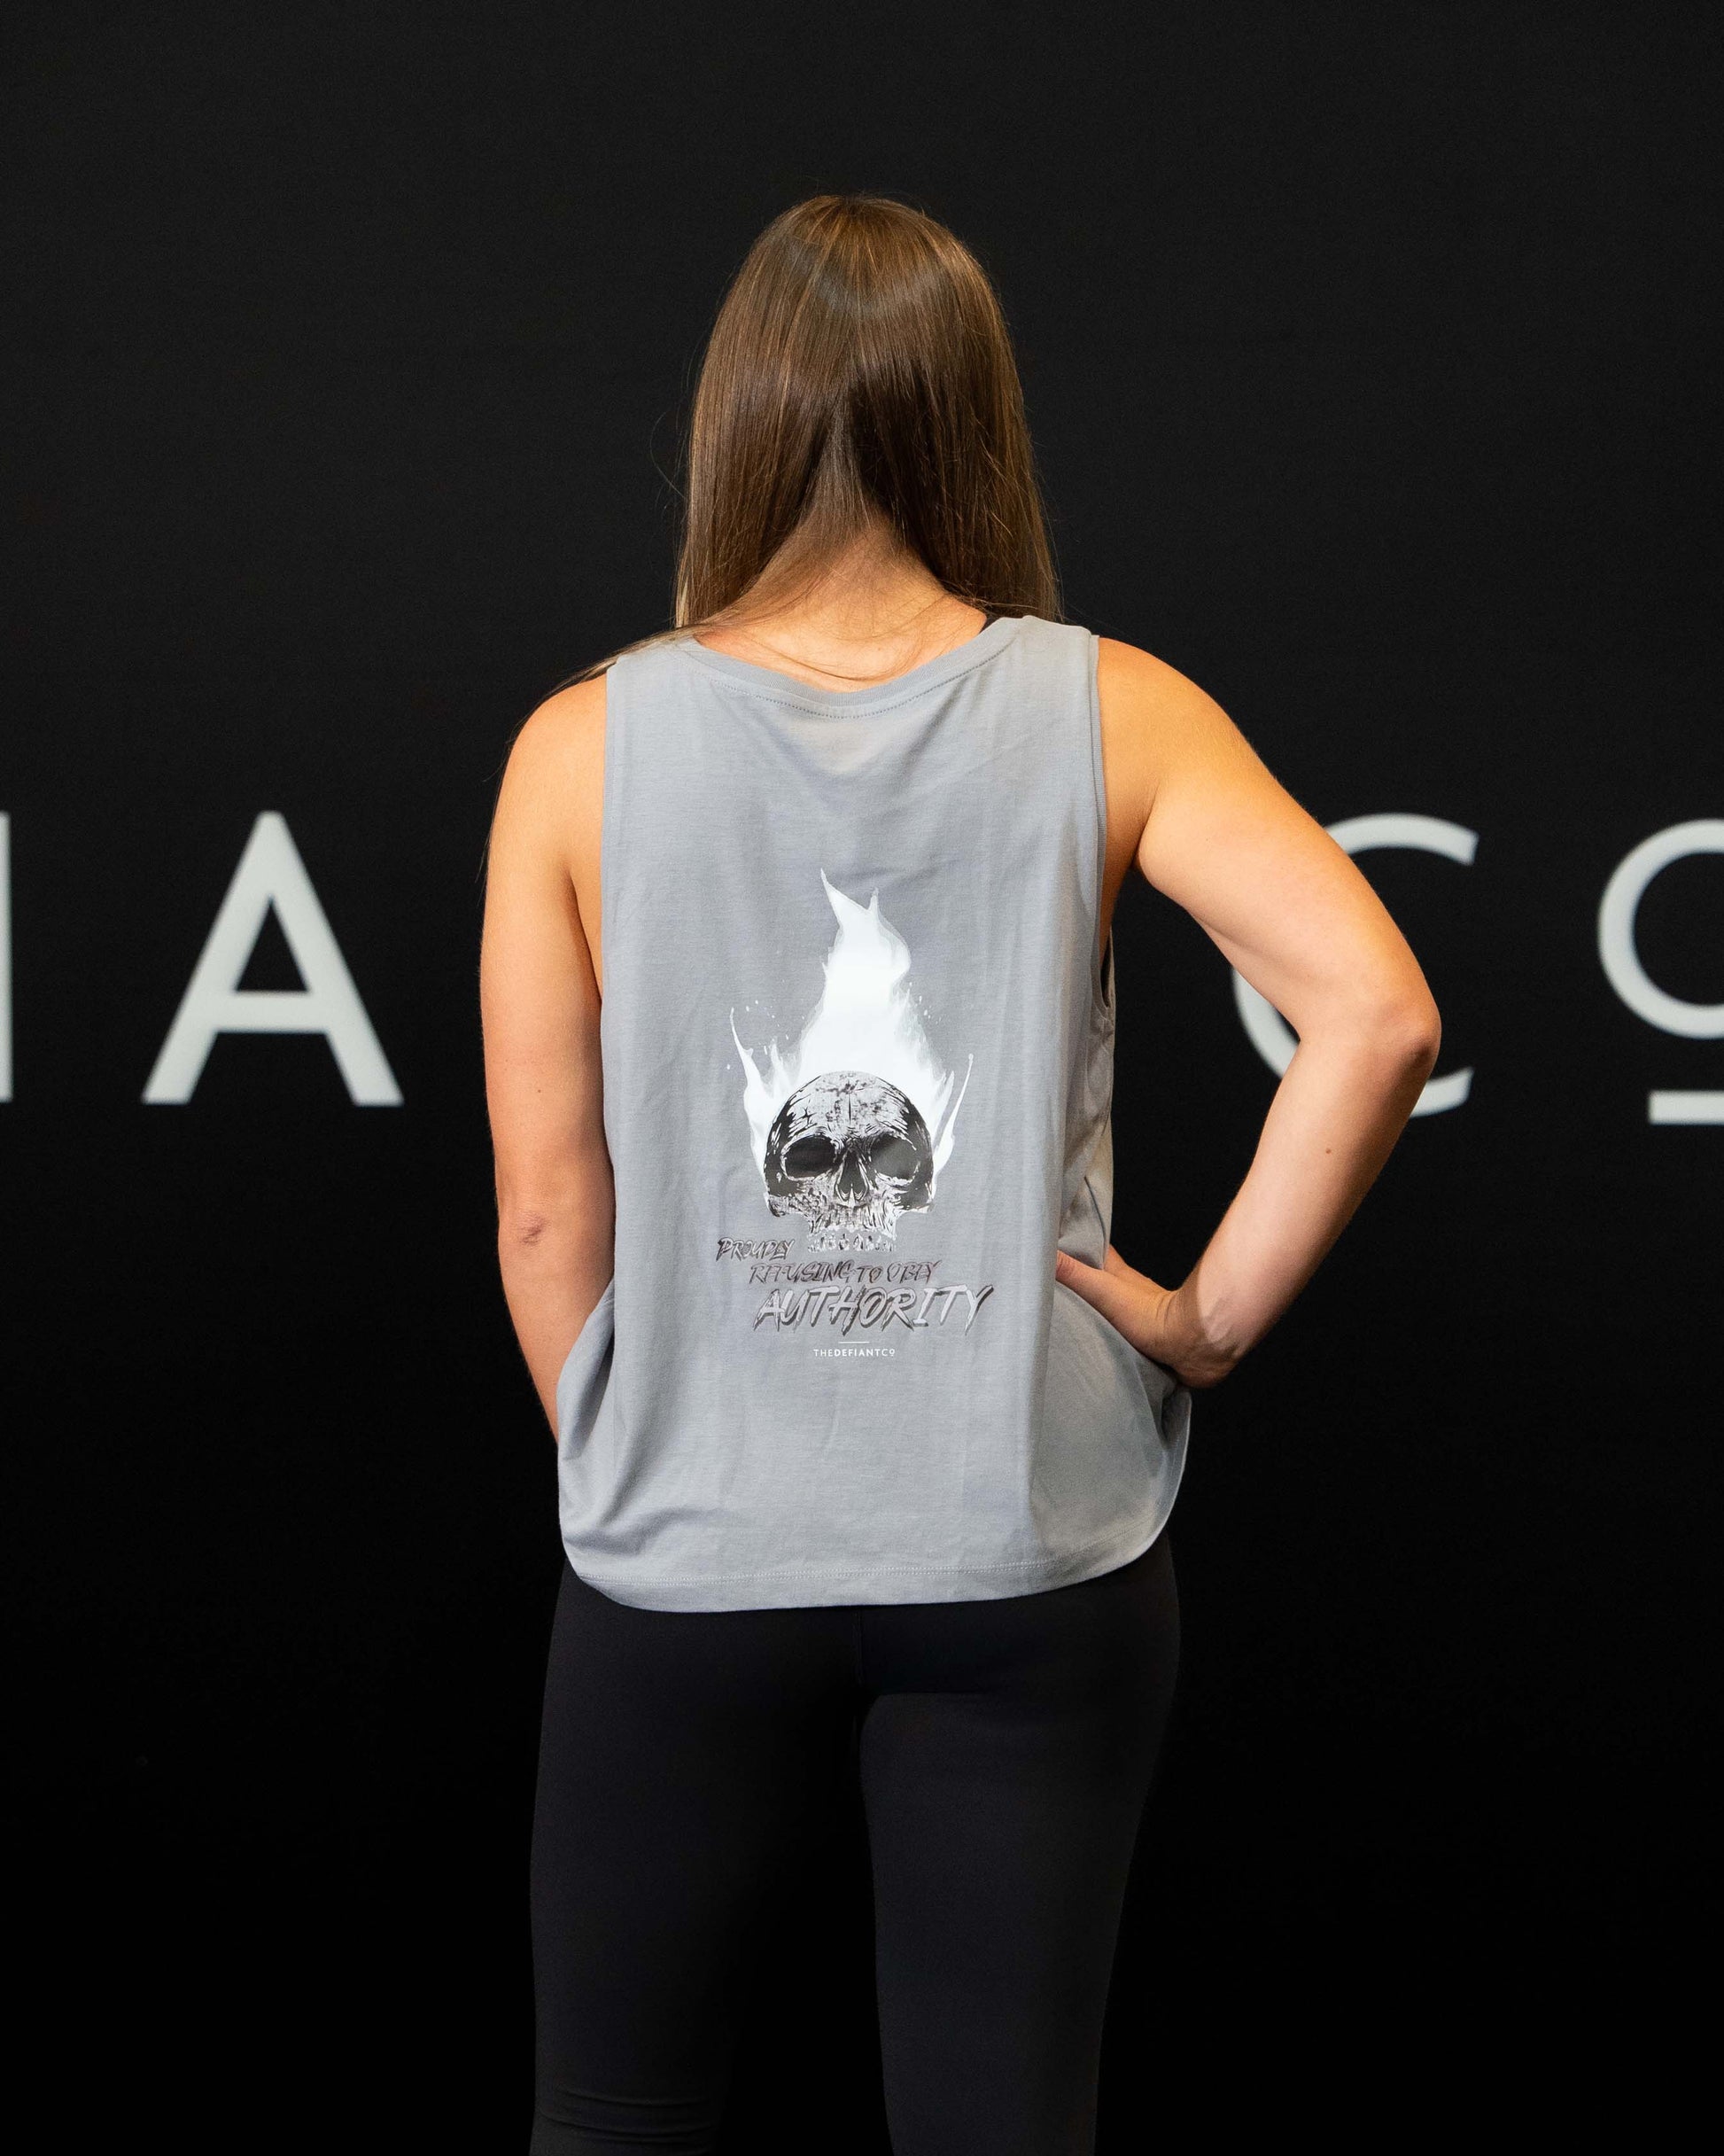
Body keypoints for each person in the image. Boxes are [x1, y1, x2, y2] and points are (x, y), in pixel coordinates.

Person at [481, 194, 1441, 2156]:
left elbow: (545, 1211)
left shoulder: (578, 750)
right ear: (973, 420)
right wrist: (1206, 1320)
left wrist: (635, 1453)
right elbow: (1378, 1011)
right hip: (1034, 1544)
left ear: (737, 418)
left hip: (686, 1553)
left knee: (617, 2116)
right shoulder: (1113, 706)